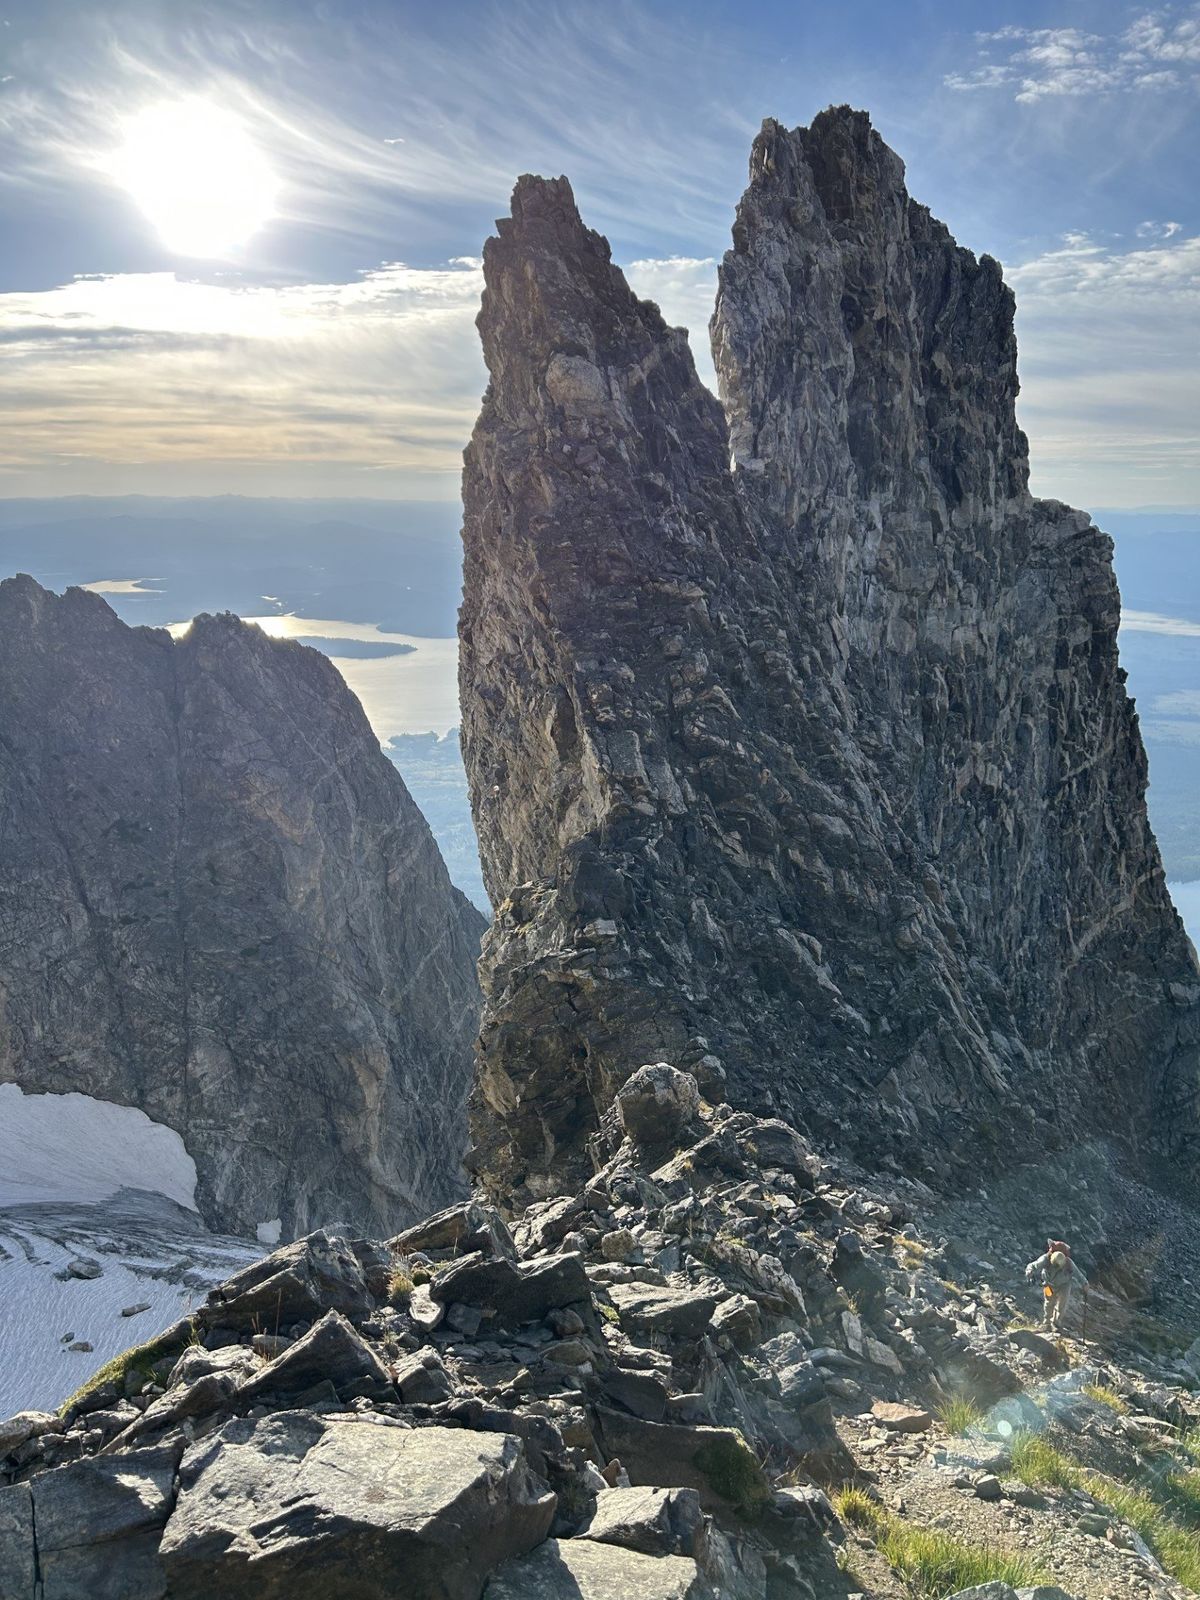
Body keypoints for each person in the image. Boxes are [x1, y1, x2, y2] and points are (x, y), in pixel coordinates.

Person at [1025, 1238, 1086, 1331]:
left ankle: (1056, 1323)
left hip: (1064, 1285)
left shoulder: (1068, 1263)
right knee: (1049, 1303)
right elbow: (1033, 1265)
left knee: (1062, 1304)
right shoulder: (1045, 1259)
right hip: (1048, 1284)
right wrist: (1029, 1271)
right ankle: (1047, 1323)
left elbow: (1078, 1274)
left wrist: (1085, 1283)